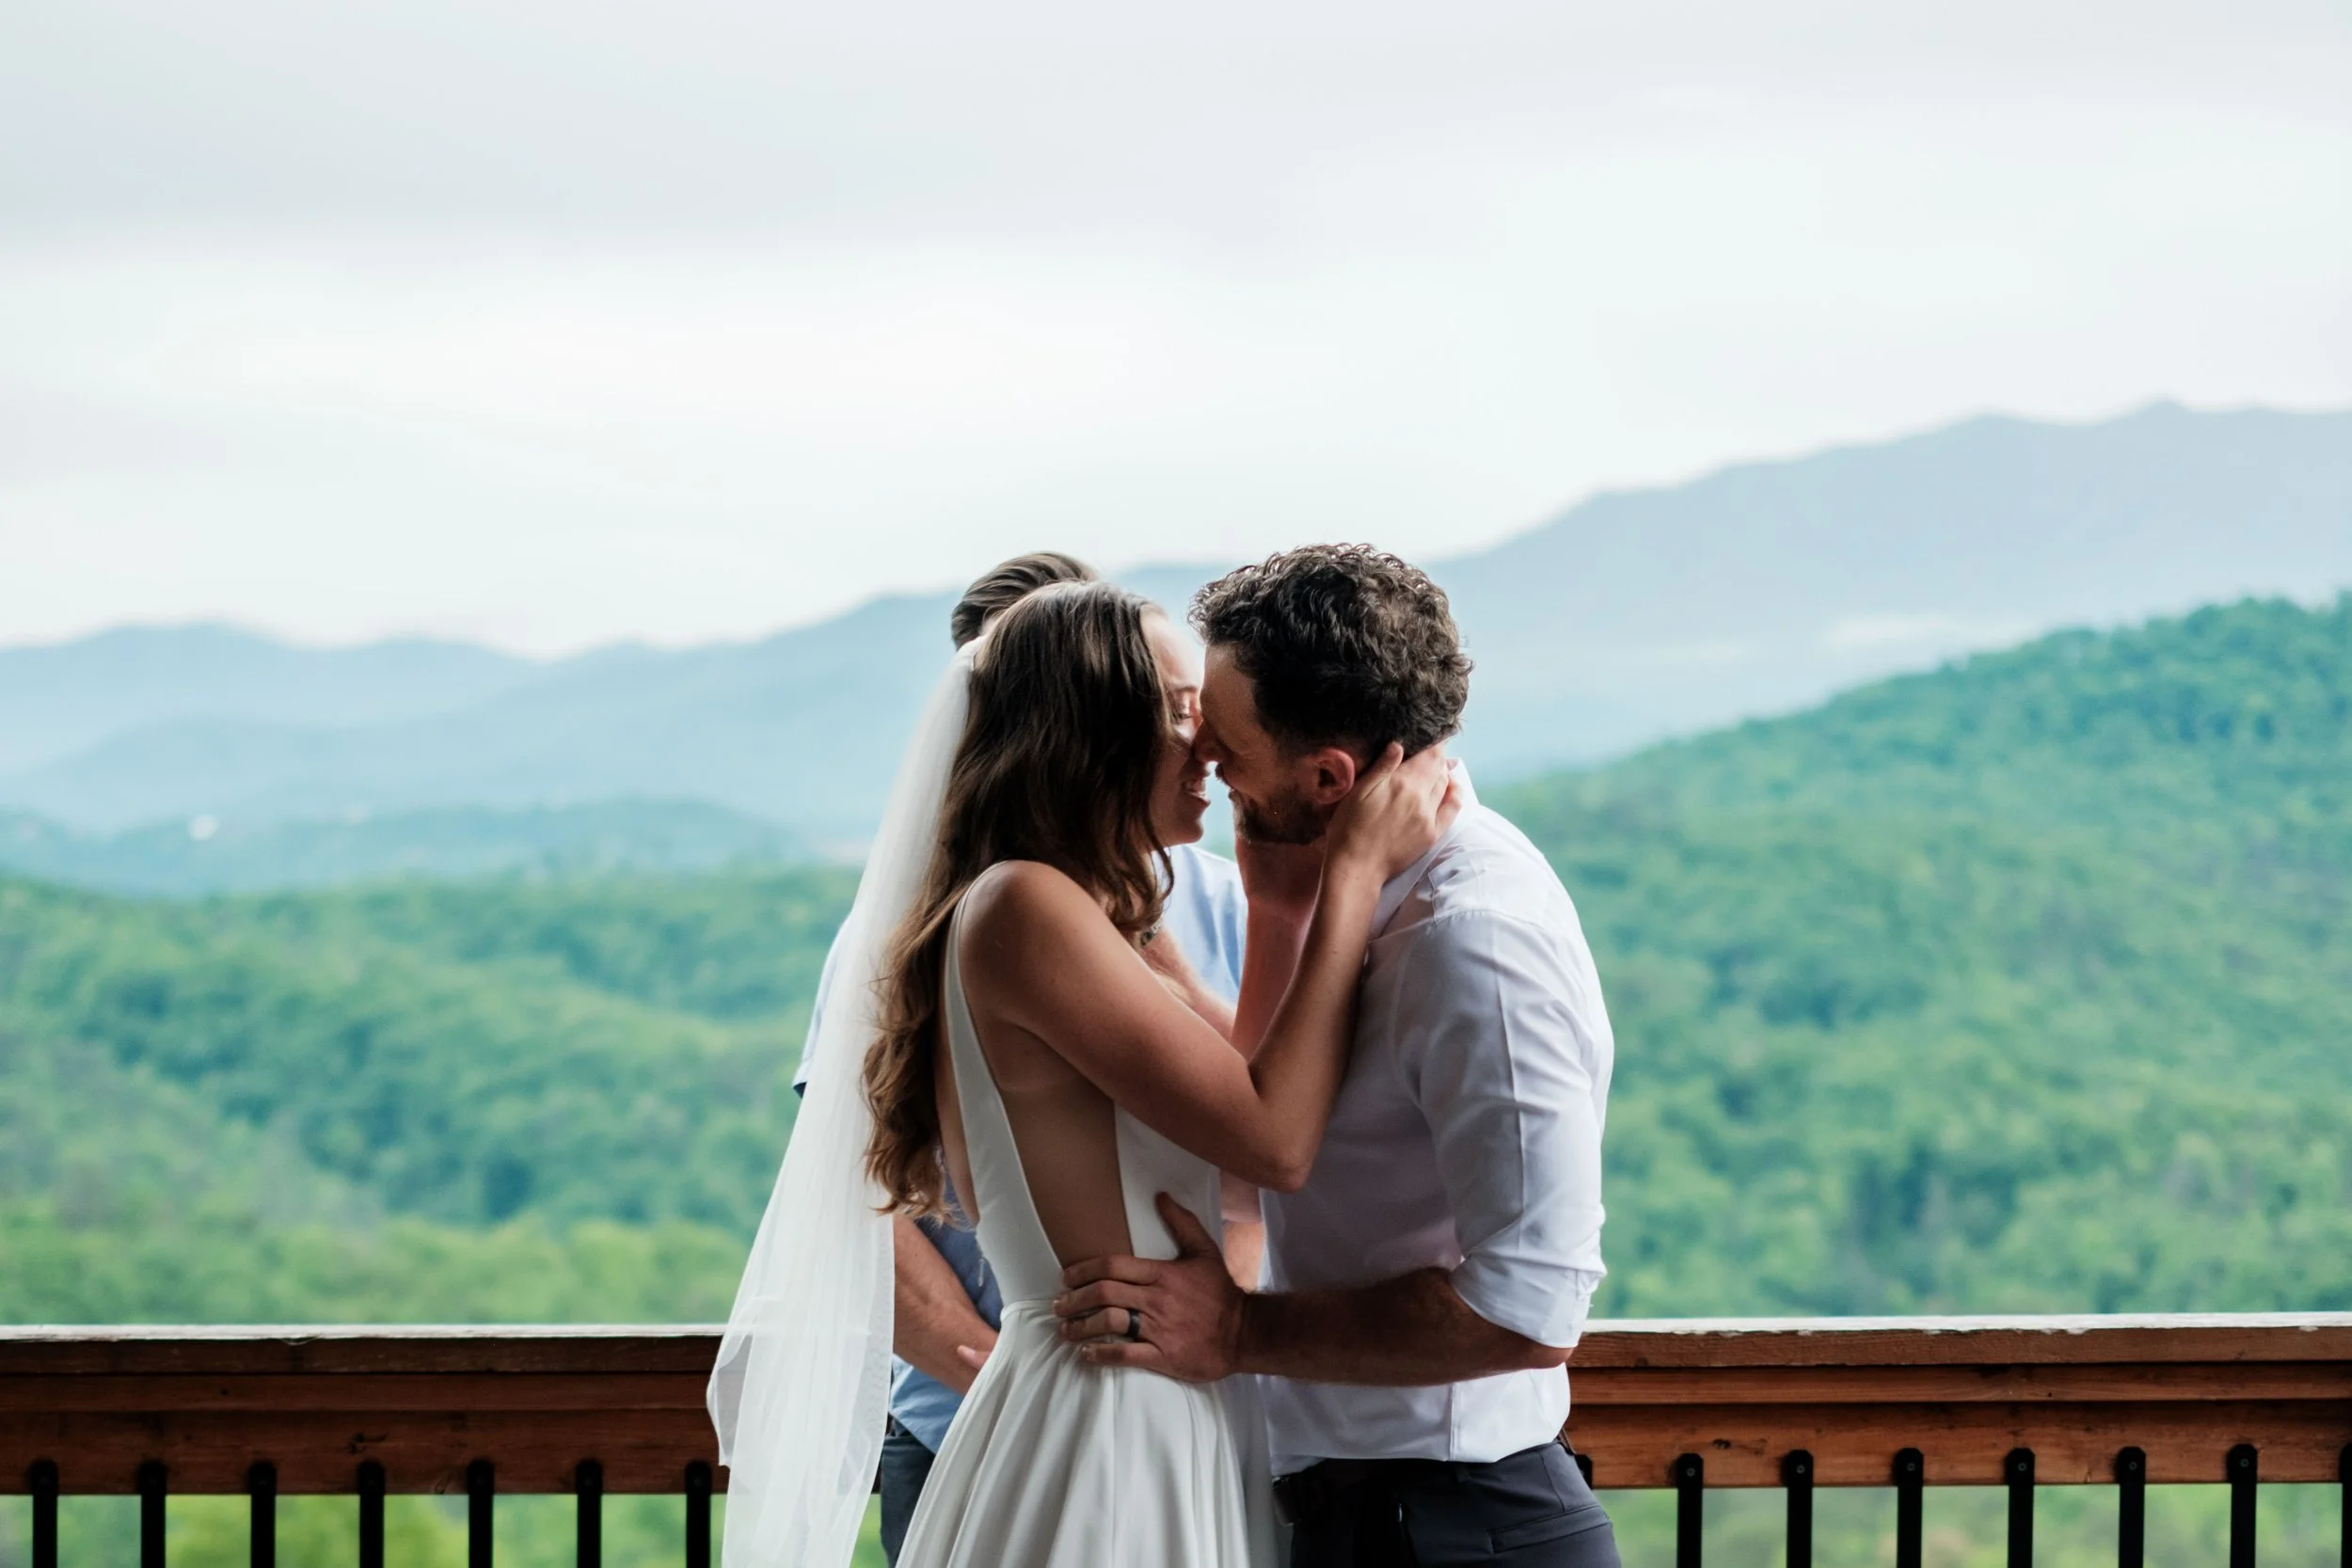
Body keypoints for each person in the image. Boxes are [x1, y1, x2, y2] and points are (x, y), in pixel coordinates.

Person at [1053, 546, 1623, 1568]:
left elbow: (1529, 1309)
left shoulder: (1471, 942)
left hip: (1452, 1524)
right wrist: (1276, 909)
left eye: (1224, 745)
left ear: (1328, 777)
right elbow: (1257, 1133)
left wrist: (1240, 1334)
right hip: (1362, 1509)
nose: (1201, 762)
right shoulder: (1352, 897)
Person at [787, 552, 1251, 1565]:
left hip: (1174, 1380)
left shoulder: (1195, 903)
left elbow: (1249, 1165)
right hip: (1047, 1389)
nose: (1205, 743)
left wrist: (1230, 1323)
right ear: (1091, 722)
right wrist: (1007, 1368)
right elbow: (851, 1180)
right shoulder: (969, 918)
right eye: (1175, 707)